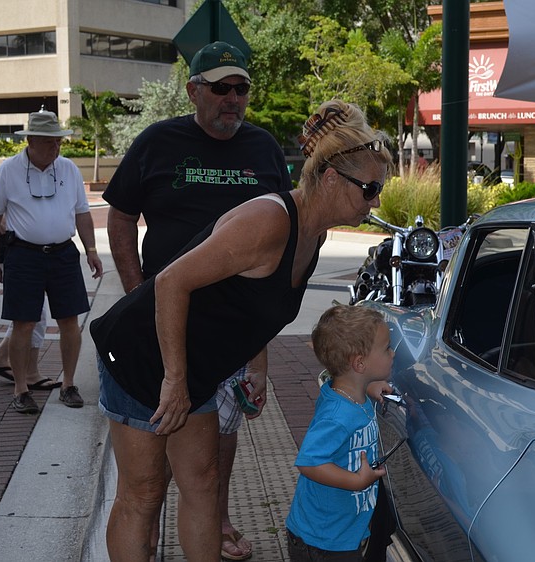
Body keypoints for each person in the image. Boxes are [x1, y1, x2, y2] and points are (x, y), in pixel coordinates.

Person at [90, 99, 392, 562]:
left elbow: (255, 308)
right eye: (370, 189)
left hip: (194, 367)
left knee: (205, 484)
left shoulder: (315, 233)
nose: (375, 202)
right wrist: (173, 380)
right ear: (331, 178)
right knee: (144, 494)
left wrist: (257, 362)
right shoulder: (269, 220)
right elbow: (170, 282)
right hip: (142, 355)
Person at [102, 40, 290, 561]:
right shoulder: (159, 142)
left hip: (227, 337)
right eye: (221, 88)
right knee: (144, 487)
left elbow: (282, 245)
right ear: (193, 90)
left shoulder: (264, 149)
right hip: (159, 334)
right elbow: (119, 215)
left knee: (206, 472)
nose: (232, 98)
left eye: (241, 88)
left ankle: (221, 524)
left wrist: (260, 355)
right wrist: (138, 289)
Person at [0, 109, 103, 414]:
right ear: (31, 140)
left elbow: (82, 213)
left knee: (70, 322)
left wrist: (91, 249)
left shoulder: (69, 169)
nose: (57, 148)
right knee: (23, 323)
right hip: (23, 254)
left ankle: (69, 384)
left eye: (59, 142)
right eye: (50, 142)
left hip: (63, 254)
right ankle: (20, 388)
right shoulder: (7, 171)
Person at [285, 305, 394, 561]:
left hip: (342, 532)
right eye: (387, 348)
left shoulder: (350, 391)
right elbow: (309, 462)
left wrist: (369, 383)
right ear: (359, 362)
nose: (393, 352)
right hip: (322, 540)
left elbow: (337, 379)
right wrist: (356, 481)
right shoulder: (338, 416)